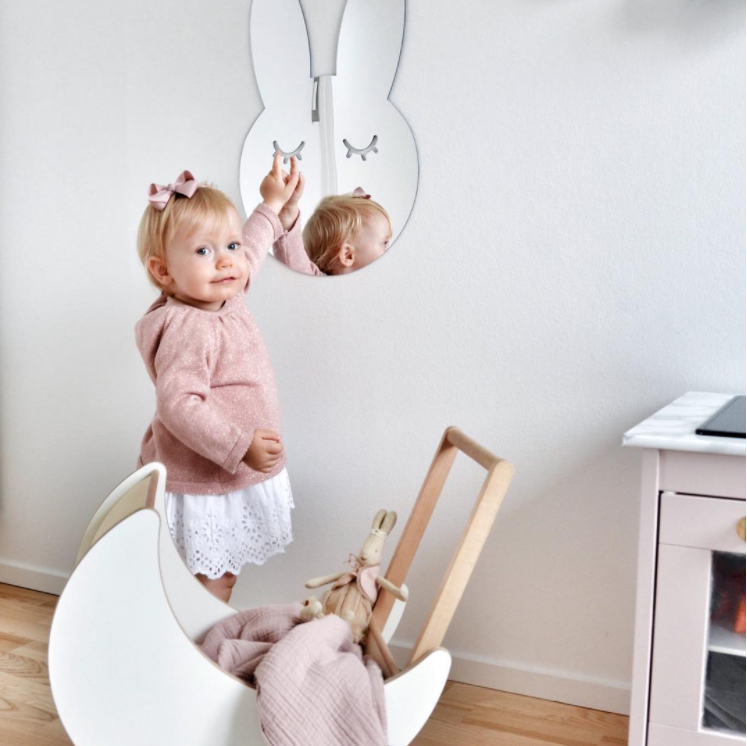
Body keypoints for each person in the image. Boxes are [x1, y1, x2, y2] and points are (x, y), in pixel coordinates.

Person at [134, 154, 302, 603]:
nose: (228, 261)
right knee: (213, 579)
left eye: (229, 245)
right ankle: (197, 642)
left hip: (226, 474)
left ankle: (195, 635)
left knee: (220, 574)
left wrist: (272, 204)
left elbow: (253, 247)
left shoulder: (226, 294)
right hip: (207, 476)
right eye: (204, 251)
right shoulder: (190, 326)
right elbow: (179, 404)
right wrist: (239, 445)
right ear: (163, 271)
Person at [272, 159, 392, 276]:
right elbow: (293, 261)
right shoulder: (317, 284)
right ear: (347, 255)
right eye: (384, 243)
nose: (390, 251)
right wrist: (288, 209)